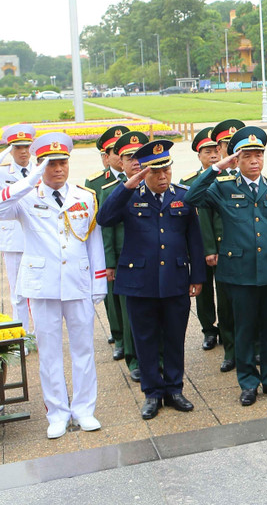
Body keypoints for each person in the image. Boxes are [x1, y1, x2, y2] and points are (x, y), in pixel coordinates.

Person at [0, 133, 106, 439]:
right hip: (42, 285)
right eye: (50, 164)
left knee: (84, 349)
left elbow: (93, 241)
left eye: (62, 162)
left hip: (77, 281)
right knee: (48, 353)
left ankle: (84, 410)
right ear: (38, 165)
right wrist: (29, 179)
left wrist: (97, 281)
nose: (58, 169)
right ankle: (57, 413)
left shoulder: (84, 197)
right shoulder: (26, 196)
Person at [184, 126, 267, 406]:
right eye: (247, 156)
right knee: (243, 330)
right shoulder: (223, 187)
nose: (254, 161)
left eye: (258, 155)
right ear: (237, 159)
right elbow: (191, 197)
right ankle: (248, 382)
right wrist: (217, 167)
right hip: (239, 272)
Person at [98, 140, 205, 420]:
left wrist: (198, 276)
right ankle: (152, 393)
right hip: (139, 281)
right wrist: (128, 186)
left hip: (175, 279)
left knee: (174, 337)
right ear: (144, 172)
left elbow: (194, 239)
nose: (162, 177)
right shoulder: (128, 195)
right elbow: (104, 218)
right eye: (155, 172)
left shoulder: (183, 195)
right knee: (144, 339)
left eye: (166, 170)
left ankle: (174, 389)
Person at [101, 131, 147, 382]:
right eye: (129, 157)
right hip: (125, 260)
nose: (136, 162)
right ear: (121, 161)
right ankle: (134, 359)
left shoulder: (157, 185)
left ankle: (157, 359)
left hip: (152, 260)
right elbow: (107, 230)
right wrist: (109, 264)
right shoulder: (112, 191)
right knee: (130, 315)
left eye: (140, 156)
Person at [85, 124, 128, 353]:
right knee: (113, 296)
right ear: (106, 157)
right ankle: (119, 336)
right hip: (107, 246)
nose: (121, 157)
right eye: (115, 152)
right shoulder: (95, 183)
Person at [180, 127, 224, 353]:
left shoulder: (229, 178)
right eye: (207, 151)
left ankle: (227, 329)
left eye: (216, 150)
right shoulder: (188, 182)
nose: (214, 155)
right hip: (199, 246)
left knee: (226, 290)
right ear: (199, 155)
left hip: (225, 245)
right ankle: (209, 329)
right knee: (204, 290)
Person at [0, 124, 35, 335]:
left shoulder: (39, 169)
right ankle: (22, 335)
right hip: (13, 238)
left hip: (35, 236)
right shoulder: (3, 171)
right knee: (17, 293)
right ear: (11, 149)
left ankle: (39, 333)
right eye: (18, 147)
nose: (23, 152)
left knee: (40, 291)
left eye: (26, 147)